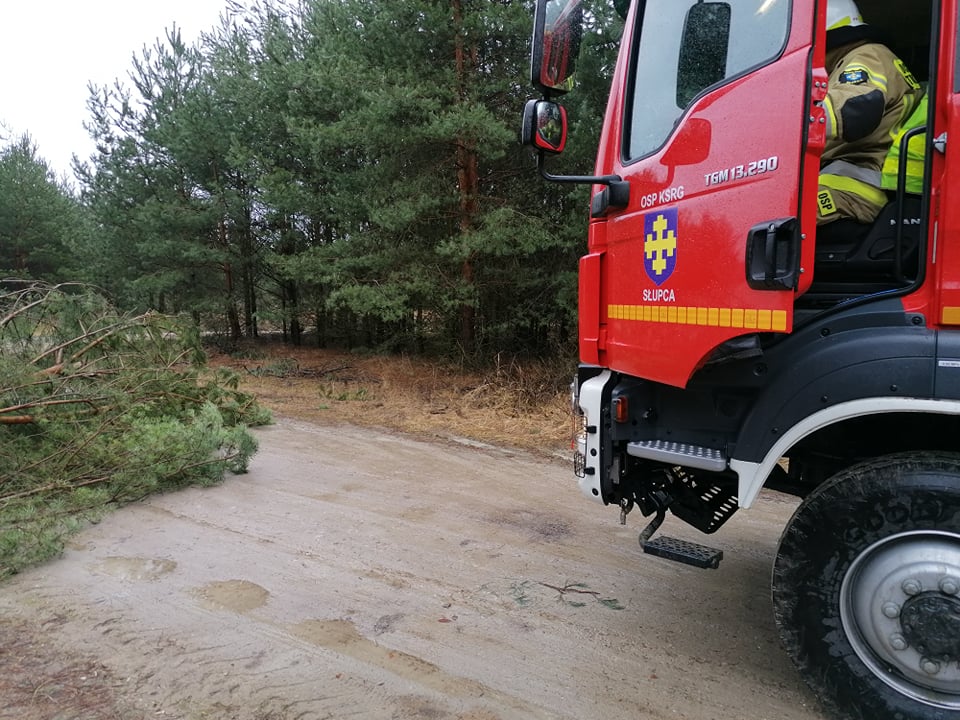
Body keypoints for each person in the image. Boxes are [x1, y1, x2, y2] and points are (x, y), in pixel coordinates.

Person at [817, 0, 923, 229]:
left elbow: (856, 107)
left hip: (858, 187)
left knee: (779, 213)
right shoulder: (861, 58)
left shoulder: (867, 55)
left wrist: (791, 123)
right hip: (852, 182)